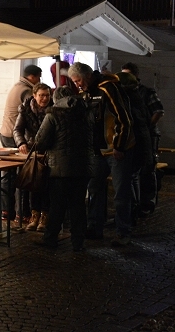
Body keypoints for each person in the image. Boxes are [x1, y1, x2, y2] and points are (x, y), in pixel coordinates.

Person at [68, 62, 135, 246]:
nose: (77, 85)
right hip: (98, 151)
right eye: (74, 82)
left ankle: (123, 232)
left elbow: (124, 118)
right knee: (95, 190)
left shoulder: (108, 89)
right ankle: (95, 227)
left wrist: (119, 146)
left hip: (116, 151)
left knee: (121, 193)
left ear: (87, 76)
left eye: (78, 81)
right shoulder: (86, 93)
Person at [34, 86, 94, 251]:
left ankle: (51, 238)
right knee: (78, 206)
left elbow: (40, 141)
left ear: (55, 98)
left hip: (60, 168)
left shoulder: (53, 114)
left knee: (57, 206)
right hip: (84, 166)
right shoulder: (87, 113)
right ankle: (78, 242)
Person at [0, 64, 42, 222]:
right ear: (33, 77)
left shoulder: (16, 86)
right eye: (39, 77)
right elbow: (32, 110)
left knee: (7, 175)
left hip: (5, 132)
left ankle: (5, 210)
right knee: (22, 176)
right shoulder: (27, 90)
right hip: (15, 136)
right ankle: (21, 213)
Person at [121, 62, 165, 213]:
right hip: (132, 135)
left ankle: (148, 202)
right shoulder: (122, 92)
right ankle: (135, 203)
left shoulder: (146, 92)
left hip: (148, 134)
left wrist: (148, 126)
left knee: (148, 166)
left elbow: (158, 110)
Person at [13, 83, 52, 231]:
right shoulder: (25, 109)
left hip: (48, 152)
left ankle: (45, 217)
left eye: (47, 95)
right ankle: (34, 216)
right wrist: (21, 143)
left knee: (46, 186)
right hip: (32, 152)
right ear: (34, 96)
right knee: (33, 184)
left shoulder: (53, 110)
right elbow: (17, 129)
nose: (44, 98)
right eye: (41, 95)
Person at [116, 71, 152, 225]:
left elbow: (131, 124)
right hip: (142, 144)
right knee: (132, 178)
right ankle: (134, 210)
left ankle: (132, 212)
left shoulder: (127, 98)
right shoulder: (136, 96)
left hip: (135, 144)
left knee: (129, 179)